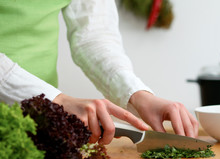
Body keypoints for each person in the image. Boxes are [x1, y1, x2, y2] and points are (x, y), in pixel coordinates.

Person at [0, 0, 198, 145]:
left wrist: (136, 94)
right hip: (44, 108)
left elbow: (92, 35)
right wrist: (56, 101)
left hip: (40, 127)